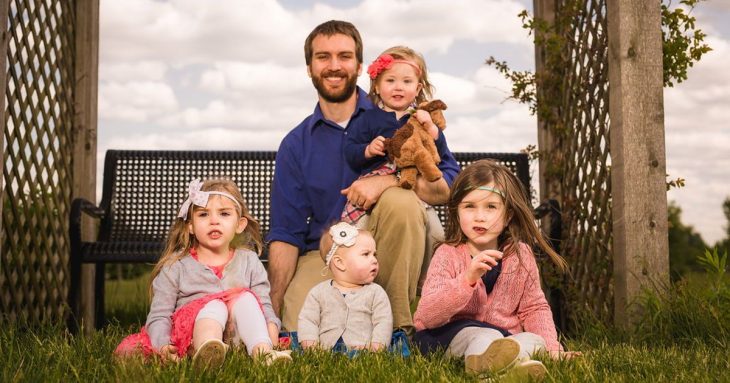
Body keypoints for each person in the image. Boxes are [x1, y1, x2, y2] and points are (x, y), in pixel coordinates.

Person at [267, 20, 459, 335]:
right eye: (322, 57)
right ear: (309, 67)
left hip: (391, 248)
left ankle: (399, 331)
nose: (333, 66)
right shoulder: (296, 144)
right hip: (330, 253)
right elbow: (286, 232)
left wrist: (387, 181)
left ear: (359, 66)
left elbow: (449, 180)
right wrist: (271, 311)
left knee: (400, 201)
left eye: (344, 56)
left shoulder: (398, 113)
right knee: (298, 329)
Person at [413, 160, 580, 379]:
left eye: (491, 207)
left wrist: (553, 349)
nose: (479, 216)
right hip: (446, 336)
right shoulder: (448, 253)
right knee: (485, 335)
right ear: (457, 212)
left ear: (508, 215)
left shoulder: (520, 255)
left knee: (535, 342)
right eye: (469, 206)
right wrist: (467, 280)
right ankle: (489, 368)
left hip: (504, 337)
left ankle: (504, 372)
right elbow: (428, 314)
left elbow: (534, 308)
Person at [114, 178, 291, 368]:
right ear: (190, 226)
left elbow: (264, 305)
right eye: (204, 214)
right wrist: (163, 345)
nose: (214, 220)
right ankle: (207, 351)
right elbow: (160, 315)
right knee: (215, 304)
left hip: (236, 336)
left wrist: (271, 328)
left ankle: (262, 352)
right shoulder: (177, 266)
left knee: (247, 299)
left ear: (239, 224)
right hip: (192, 336)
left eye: (224, 214)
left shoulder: (249, 261)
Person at [341, 45, 442, 225]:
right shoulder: (367, 118)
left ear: (418, 89)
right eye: (390, 81)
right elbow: (349, 151)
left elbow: (438, 151)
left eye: (407, 81)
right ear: (377, 87)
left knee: (435, 234)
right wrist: (368, 150)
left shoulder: (420, 118)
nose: (398, 87)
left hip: (415, 189)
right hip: (374, 191)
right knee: (358, 230)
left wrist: (432, 128)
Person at [298, 222, 392, 352]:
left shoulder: (376, 293)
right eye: (366, 254)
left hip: (362, 351)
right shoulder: (318, 292)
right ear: (340, 263)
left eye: (374, 254)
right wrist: (311, 345)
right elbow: (308, 320)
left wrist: (376, 346)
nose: (374, 260)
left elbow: (383, 322)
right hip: (325, 351)